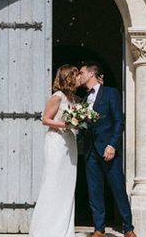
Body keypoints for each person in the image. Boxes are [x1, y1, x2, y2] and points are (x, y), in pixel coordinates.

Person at [77, 62, 135, 237]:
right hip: (90, 151)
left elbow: (119, 121)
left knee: (117, 187)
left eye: (81, 72)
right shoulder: (84, 99)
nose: (79, 76)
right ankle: (99, 228)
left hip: (108, 149)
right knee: (94, 190)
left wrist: (112, 145)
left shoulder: (110, 93)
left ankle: (128, 228)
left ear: (91, 74)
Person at [29, 65, 80, 237]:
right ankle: (46, 229)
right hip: (56, 142)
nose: (79, 77)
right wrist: (67, 124)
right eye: (76, 74)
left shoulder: (73, 97)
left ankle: (64, 229)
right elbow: (45, 119)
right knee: (52, 183)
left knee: (67, 185)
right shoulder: (57, 97)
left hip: (70, 142)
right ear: (68, 77)